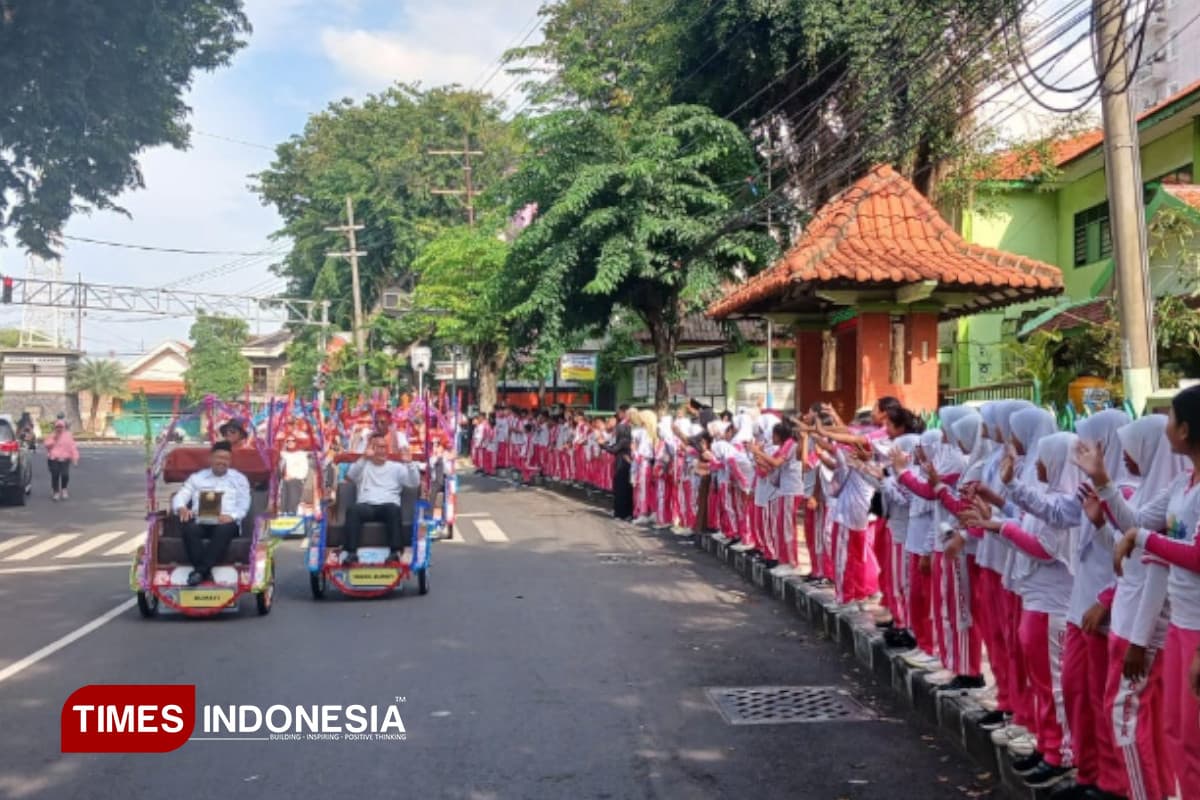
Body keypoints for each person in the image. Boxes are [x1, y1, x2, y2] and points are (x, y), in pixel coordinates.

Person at [173, 441, 251, 586]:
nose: (222, 461)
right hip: (201, 520)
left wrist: (231, 517)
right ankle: (204, 572)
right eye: (219, 458)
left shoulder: (239, 479)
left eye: (226, 459)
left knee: (224, 529)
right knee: (189, 528)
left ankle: (199, 572)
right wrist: (181, 507)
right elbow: (182, 494)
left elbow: (243, 505)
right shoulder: (197, 478)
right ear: (211, 459)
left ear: (230, 461)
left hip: (226, 522)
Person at [343, 433, 421, 564]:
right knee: (353, 510)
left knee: (394, 510)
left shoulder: (396, 467)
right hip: (366, 506)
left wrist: (410, 464)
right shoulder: (363, 465)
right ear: (371, 449)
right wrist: (363, 458)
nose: (382, 450)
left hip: (388, 506)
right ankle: (351, 553)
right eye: (378, 447)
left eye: (385, 447)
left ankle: (395, 552)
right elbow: (350, 476)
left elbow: (414, 483)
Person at [606, 405, 634, 521]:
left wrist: (602, 444)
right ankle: (625, 512)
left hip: (623, 459)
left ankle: (621, 512)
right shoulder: (627, 426)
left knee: (622, 487)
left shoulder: (623, 427)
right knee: (627, 487)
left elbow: (614, 448)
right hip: (627, 459)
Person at [45, 419, 79, 500]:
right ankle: (56, 492)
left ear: (64, 427)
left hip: (65, 458)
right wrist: (54, 439)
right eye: (57, 427)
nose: (59, 429)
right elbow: (47, 445)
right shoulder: (52, 435)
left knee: (65, 475)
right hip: (53, 458)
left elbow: (73, 447)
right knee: (55, 475)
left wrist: (75, 458)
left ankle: (64, 489)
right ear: (55, 428)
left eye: (61, 427)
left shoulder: (68, 436)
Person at [279, 434, 311, 514]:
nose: (290, 442)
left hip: (295, 482)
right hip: (283, 483)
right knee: (283, 506)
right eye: (288, 441)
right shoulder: (282, 454)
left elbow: (304, 471)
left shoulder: (301, 455)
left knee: (292, 506)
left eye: (292, 441)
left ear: (296, 442)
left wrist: (292, 475)